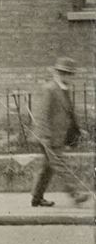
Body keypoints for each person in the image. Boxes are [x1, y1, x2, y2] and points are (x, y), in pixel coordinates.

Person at [31, 55, 90, 207]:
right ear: (57, 73)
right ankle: (76, 194)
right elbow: (41, 115)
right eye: (63, 73)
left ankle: (36, 198)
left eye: (69, 73)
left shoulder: (64, 89)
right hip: (48, 137)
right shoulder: (49, 89)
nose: (66, 76)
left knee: (48, 168)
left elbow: (67, 114)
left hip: (57, 137)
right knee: (61, 166)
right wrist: (45, 137)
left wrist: (78, 129)